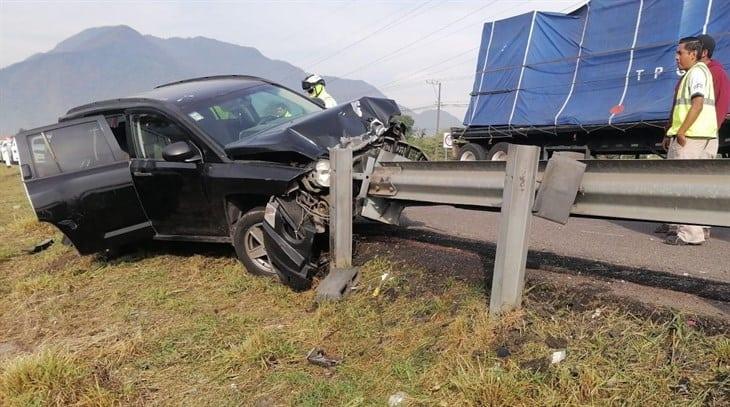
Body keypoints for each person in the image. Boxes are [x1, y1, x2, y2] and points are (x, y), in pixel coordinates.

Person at [661, 36, 719, 245]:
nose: (677, 57)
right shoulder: (703, 72)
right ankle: (696, 231)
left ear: (693, 54)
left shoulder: (695, 73)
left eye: (680, 53)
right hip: (705, 135)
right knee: (697, 186)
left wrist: (682, 131)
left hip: (691, 137)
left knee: (682, 184)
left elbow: (697, 103)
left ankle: (688, 234)